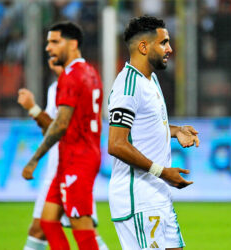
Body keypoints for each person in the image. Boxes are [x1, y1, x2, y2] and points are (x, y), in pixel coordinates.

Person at [108, 16, 200, 250]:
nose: (170, 48)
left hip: (158, 195)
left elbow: (144, 128)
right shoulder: (127, 86)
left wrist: (177, 130)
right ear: (143, 46)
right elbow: (116, 144)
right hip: (139, 198)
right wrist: (163, 173)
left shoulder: (151, 80)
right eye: (164, 43)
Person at [22, 21, 103, 250]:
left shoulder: (71, 76)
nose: (48, 48)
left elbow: (60, 125)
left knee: (83, 229)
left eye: (55, 42)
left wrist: (34, 159)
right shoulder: (89, 72)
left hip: (78, 159)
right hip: (72, 157)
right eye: (48, 42)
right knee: (48, 221)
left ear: (73, 44)